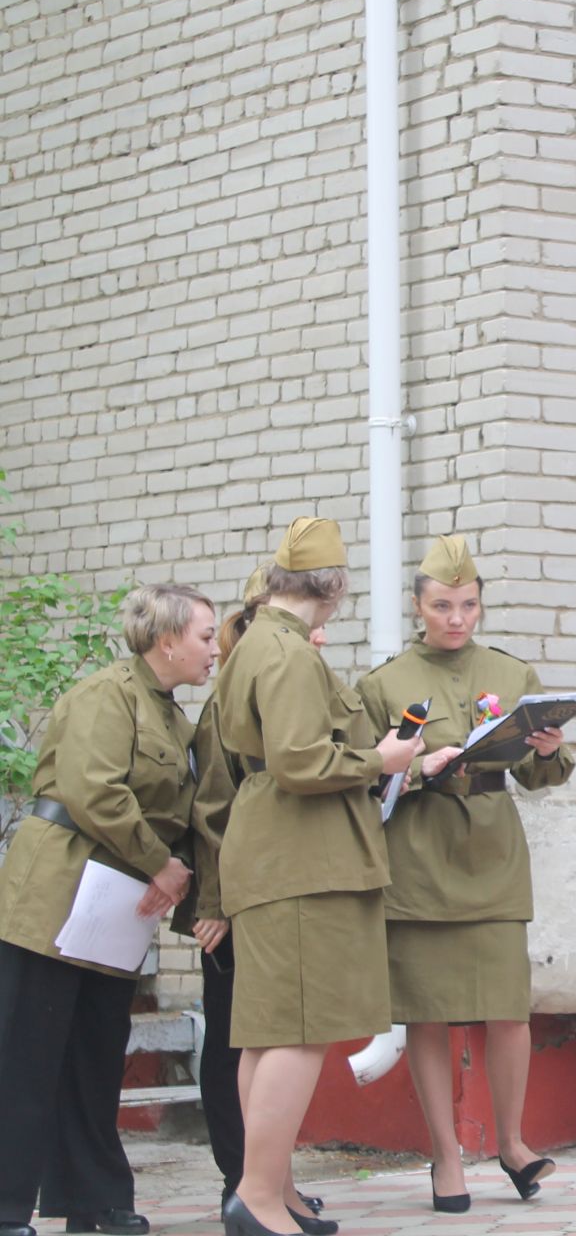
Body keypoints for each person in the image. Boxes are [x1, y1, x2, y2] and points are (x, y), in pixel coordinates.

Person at [212, 519, 424, 1236]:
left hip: (272, 851)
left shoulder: (253, 642)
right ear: (332, 589)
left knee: (269, 1035)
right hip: (301, 857)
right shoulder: (289, 654)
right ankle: (261, 1198)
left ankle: (269, 1187)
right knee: (299, 1032)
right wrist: (383, 761)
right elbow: (303, 762)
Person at [355, 535, 573, 1212]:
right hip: (419, 860)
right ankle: (445, 1159)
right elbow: (362, 779)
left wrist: (549, 748)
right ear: (418, 606)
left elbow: (541, 778)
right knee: (428, 1017)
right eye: (443, 605)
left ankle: (512, 1144)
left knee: (508, 1011)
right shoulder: (381, 684)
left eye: (469, 604)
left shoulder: (510, 673)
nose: (457, 617)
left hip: (492, 855)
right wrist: (419, 766)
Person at [0, 584, 217, 1236]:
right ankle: (8, 1207)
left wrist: (170, 872)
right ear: (167, 638)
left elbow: (178, 811)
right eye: (205, 636)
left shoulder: (175, 720)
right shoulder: (108, 695)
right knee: (27, 1054)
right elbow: (95, 790)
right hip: (56, 895)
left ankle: (94, 1200)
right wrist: (161, 864)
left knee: (95, 1052)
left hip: (115, 901)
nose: (214, 650)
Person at [182, 567, 332, 1227]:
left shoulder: (266, 683)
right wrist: (211, 903)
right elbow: (213, 808)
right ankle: (245, 1186)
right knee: (242, 1042)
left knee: (263, 1039)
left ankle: (274, 1186)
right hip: (246, 891)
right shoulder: (233, 698)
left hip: (264, 877)